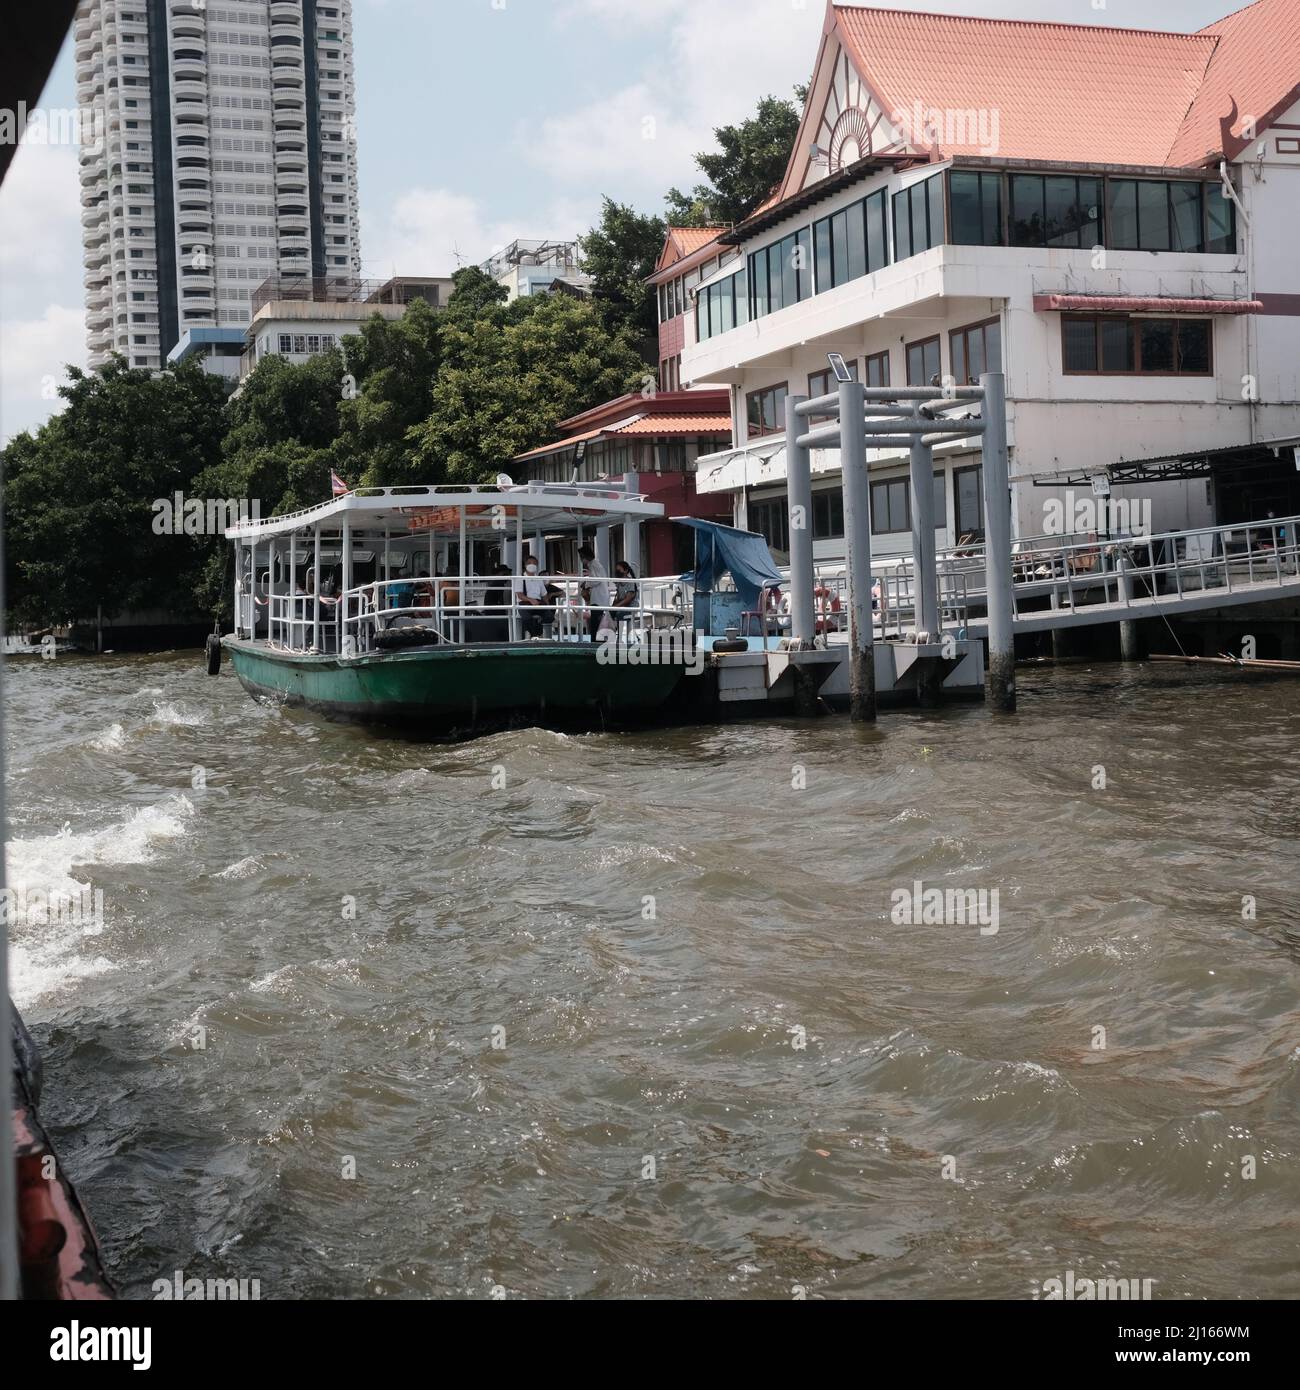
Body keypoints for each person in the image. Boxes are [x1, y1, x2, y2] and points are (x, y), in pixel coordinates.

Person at [514, 554, 551, 637]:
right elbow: (520, 595)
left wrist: (547, 605)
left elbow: (544, 594)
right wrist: (530, 600)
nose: (532, 565)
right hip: (524, 603)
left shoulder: (539, 579)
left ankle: (539, 632)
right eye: (529, 563)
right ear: (525, 565)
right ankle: (535, 635)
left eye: (534, 563)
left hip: (538, 603)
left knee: (549, 616)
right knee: (527, 618)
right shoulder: (520, 578)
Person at [578, 543, 610, 641]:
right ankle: (596, 639)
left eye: (581, 556)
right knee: (596, 619)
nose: (581, 559)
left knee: (595, 621)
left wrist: (585, 584)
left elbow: (597, 580)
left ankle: (594, 640)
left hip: (598, 598)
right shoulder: (593, 564)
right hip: (598, 596)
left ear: (585, 556)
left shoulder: (594, 565)